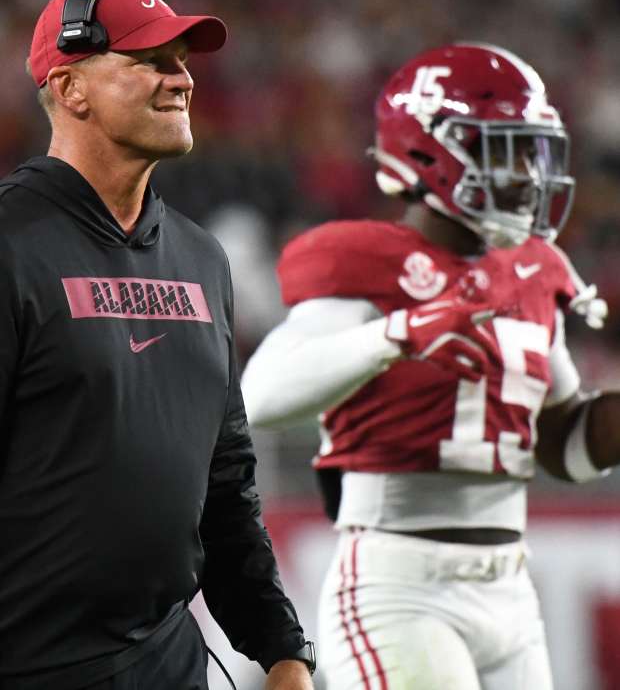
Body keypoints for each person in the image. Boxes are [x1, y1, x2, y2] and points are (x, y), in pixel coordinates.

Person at [241, 42, 620, 690]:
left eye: (533, 150)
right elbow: (259, 395)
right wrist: (400, 333)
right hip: (402, 582)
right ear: (433, 150)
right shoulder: (370, 260)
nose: (530, 172)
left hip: (509, 584)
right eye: (509, 149)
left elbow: (566, 447)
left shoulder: (531, 269)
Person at [0, 0, 315, 690]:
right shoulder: (10, 246)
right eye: (151, 61)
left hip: (168, 663)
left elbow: (224, 482)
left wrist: (281, 647)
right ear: (72, 87)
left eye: (182, 62)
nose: (181, 81)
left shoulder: (202, 259)